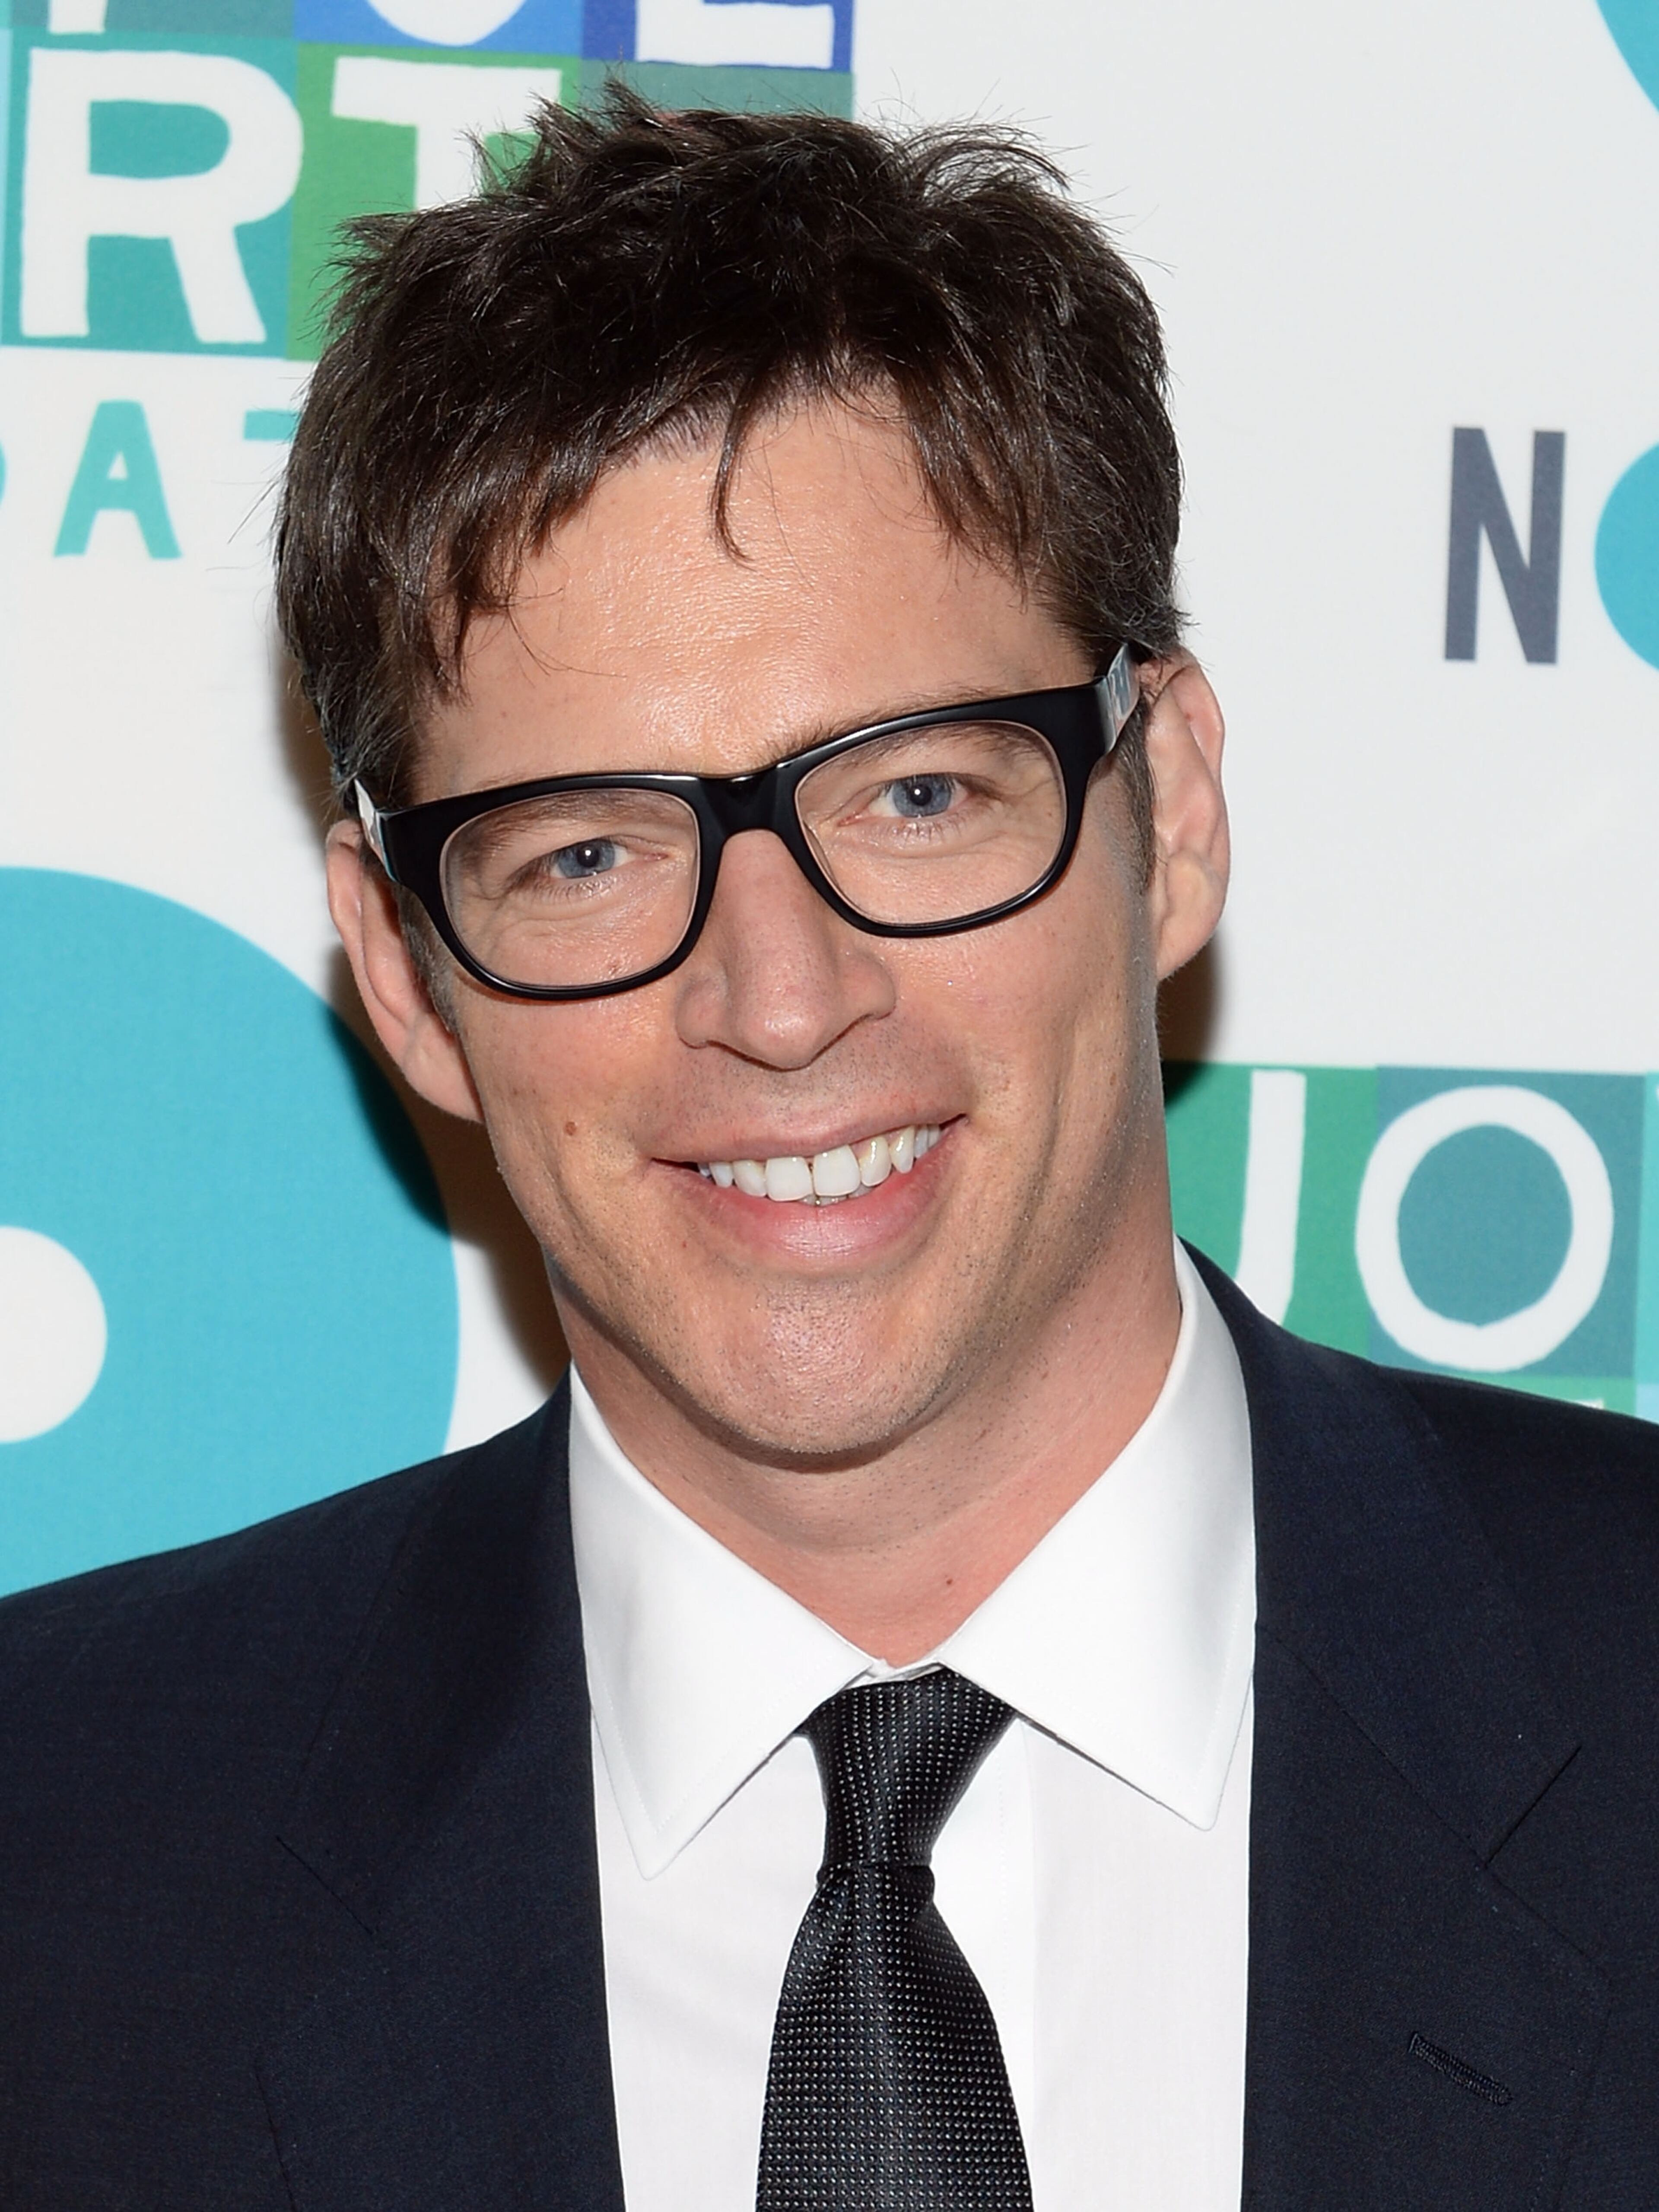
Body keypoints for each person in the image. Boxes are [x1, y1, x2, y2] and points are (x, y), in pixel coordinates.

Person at [3, 91, 1658, 2212]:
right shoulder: (59, 1860)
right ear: (406, 972)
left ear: (1171, 813)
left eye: (917, 797)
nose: (780, 999)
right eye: (588, 852)